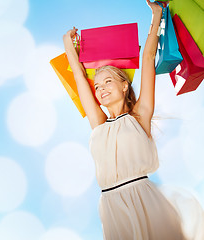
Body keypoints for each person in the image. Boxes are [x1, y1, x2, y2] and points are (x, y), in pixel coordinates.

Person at [63, 1, 196, 239]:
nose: (101, 89)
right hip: (111, 207)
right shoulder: (99, 125)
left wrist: (156, 17)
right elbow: (79, 76)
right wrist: (68, 46)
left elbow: (147, 58)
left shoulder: (140, 116)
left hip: (143, 199)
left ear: (125, 86)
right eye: (97, 86)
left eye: (108, 82)